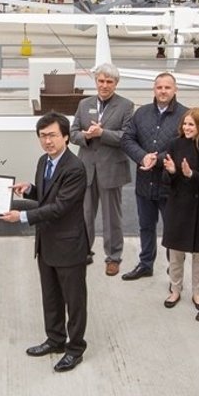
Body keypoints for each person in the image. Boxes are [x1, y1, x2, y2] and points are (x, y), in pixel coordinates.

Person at [1, 112, 91, 373]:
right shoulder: (44, 161)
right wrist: (30, 189)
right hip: (47, 242)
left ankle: (75, 349)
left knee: (74, 301)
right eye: (42, 136)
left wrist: (22, 216)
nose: (47, 141)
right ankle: (55, 340)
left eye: (52, 135)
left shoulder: (75, 168)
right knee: (50, 296)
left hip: (69, 245)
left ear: (66, 137)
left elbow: (60, 206)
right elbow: (46, 195)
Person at [120, 73, 186, 279]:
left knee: (172, 229)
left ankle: (173, 269)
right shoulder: (142, 113)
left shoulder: (185, 115)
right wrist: (142, 157)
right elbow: (127, 139)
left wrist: (156, 159)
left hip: (170, 185)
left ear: (175, 90)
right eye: (159, 87)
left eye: (167, 87)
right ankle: (146, 264)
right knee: (146, 226)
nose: (163, 91)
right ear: (154, 89)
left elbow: (185, 146)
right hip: (145, 183)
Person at [70, 63, 134, 274]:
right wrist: (86, 136)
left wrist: (102, 134)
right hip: (87, 168)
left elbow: (127, 137)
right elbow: (72, 133)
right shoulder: (84, 104)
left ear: (116, 84)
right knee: (85, 214)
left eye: (109, 82)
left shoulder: (126, 106)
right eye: (101, 81)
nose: (104, 85)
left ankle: (113, 257)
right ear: (95, 82)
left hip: (112, 169)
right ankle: (83, 251)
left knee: (111, 216)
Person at [161, 107, 199, 309]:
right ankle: (175, 289)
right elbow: (166, 179)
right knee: (175, 254)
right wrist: (172, 171)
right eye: (185, 124)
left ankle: (197, 293)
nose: (187, 128)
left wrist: (191, 174)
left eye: (192, 124)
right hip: (178, 205)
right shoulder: (174, 144)